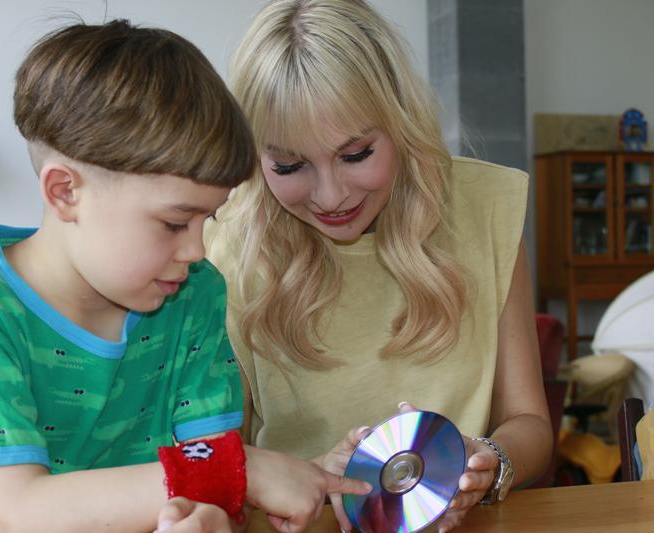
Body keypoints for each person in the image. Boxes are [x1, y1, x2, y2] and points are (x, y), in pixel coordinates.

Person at [0, 19, 369, 532]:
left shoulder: (195, 294)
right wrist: (246, 469)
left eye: (207, 219)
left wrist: (215, 516)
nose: (197, 248)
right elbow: (24, 511)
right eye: (174, 223)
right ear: (65, 192)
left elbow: (212, 487)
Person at [205, 1, 552, 531]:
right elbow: (216, 460)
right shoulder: (225, 244)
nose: (330, 195)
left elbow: (530, 423)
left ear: (400, 120)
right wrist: (309, 478)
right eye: (290, 165)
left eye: (356, 153)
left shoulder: (487, 209)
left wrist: (486, 462)